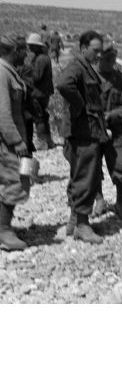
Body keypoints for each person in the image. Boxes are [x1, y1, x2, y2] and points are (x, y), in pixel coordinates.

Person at [56, 30, 109, 244]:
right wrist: (80, 106)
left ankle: (74, 219)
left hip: (87, 130)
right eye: (95, 51)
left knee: (79, 175)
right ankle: (83, 225)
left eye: (100, 51)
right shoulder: (78, 67)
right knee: (86, 176)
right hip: (83, 132)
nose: (98, 55)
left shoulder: (86, 68)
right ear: (83, 48)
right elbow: (62, 84)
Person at [92, 44, 122, 220]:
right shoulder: (89, 77)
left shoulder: (121, 79)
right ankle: (99, 199)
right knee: (92, 168)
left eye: (113, 60)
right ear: (98, 58)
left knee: (120, 167)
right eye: (106, 59)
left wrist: (112, 115)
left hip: (115, 131)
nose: (110, 63)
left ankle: (120, 202)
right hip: (92, 131)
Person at [0, 35, 32, 251]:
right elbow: (3, 113)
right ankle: (4, 230)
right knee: (14, 181)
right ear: (15, 51)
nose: (26, 55)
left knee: (16, 178)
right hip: (9, 142)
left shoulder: (9, 71)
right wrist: (16, 141)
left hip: (14, 139)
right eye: (24, 51)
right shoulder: (2, 73)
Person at [26, 33, 56, 149]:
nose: (29, 47)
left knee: (38, 117)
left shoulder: (40, 59)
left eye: (32, 45)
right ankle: (49, 142)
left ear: (37, 46)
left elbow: (37, 77)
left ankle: (43, 142)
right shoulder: (42, 57)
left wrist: (25, 76)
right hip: (43, 92)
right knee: (43, 115)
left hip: (38, 93)